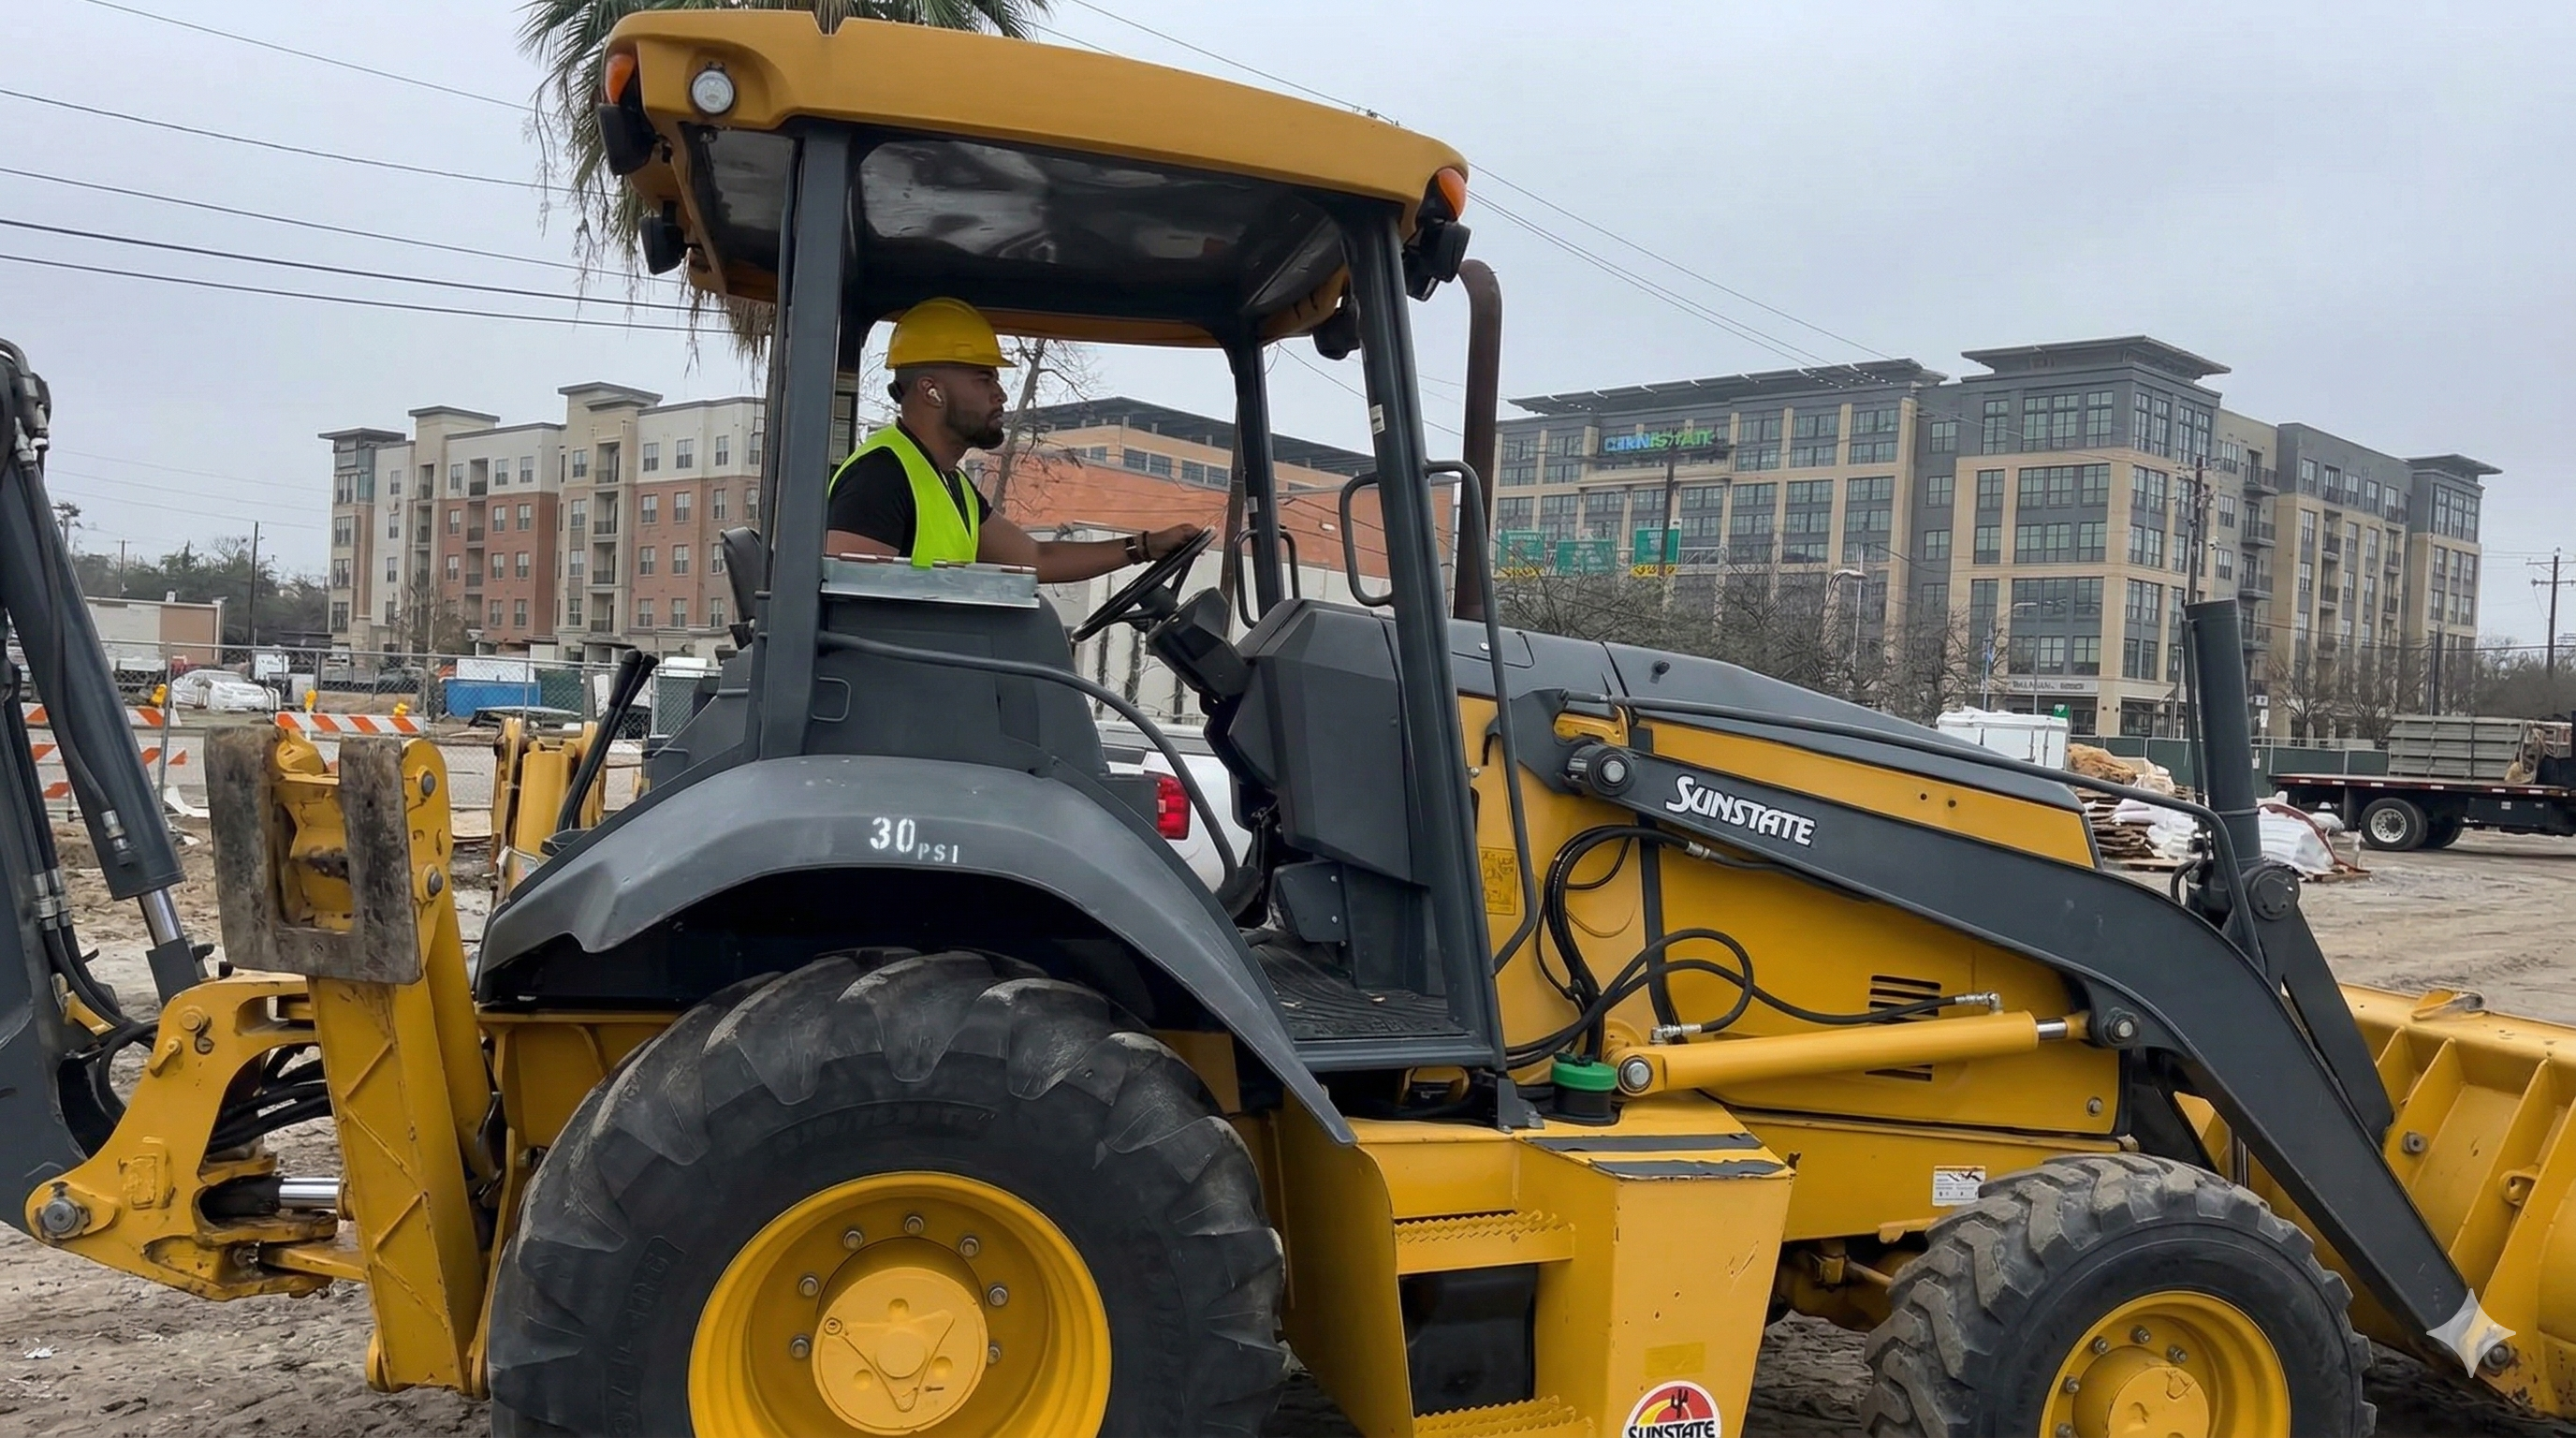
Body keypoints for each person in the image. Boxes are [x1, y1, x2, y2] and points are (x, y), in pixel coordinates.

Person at [825, 297, 1203, 580]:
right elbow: (850, 613)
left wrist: (1145, 547)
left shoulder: (949, 483)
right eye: (984, 379)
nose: (1000, 394)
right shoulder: (879, 478)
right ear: (931, 391)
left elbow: (1036, 558)